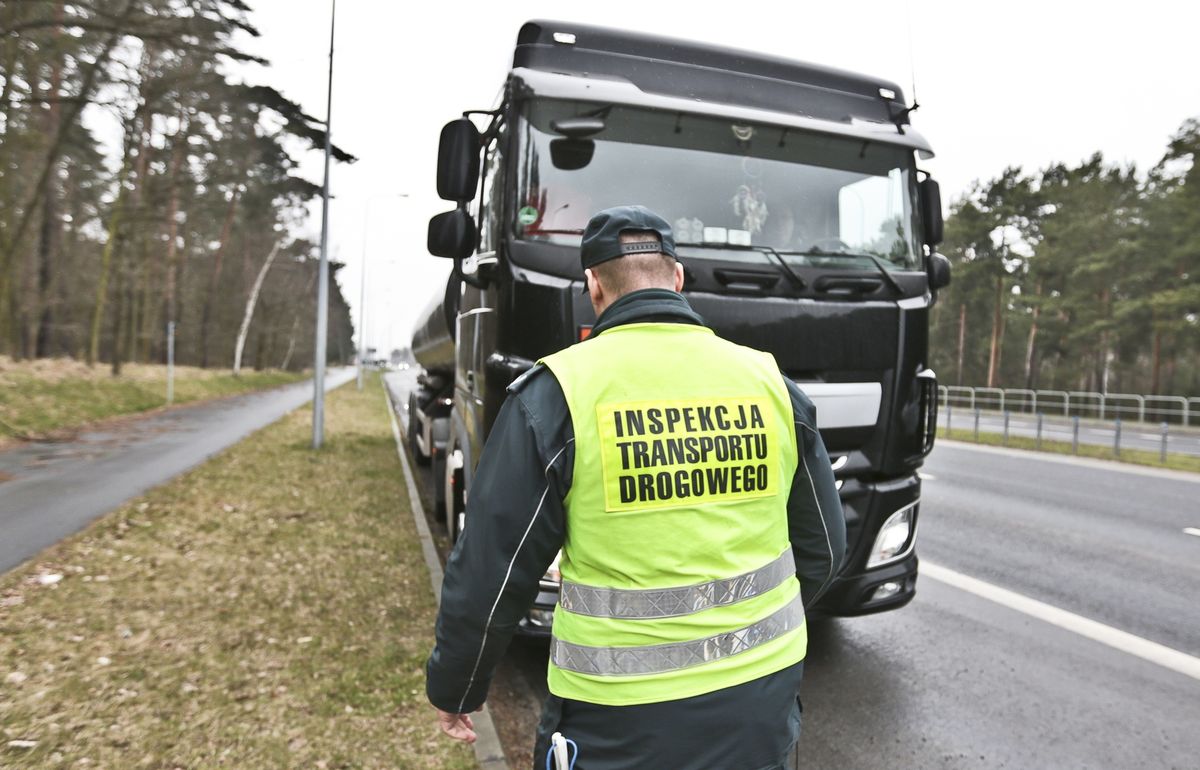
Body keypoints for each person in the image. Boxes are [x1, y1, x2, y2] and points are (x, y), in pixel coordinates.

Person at [425, 205, 846, 770]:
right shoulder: (771, 384)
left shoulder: (559, 394)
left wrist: (458, 687)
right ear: (678, 278)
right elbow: (824, 548)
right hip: (759, 706)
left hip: (619, 724)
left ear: (593, 287)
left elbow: (493, 569)